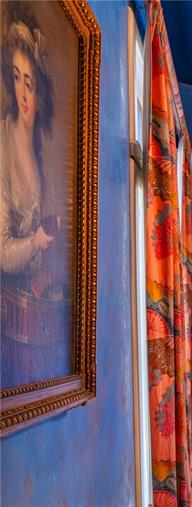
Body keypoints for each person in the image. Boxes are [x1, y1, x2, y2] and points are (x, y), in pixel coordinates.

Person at [1, 15, 67, 388]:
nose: (23, 95)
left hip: (41, 303)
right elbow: (3, 251)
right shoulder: (4, 145)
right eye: (15, 78)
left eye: (30, 83)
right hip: (13, 314)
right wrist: (37, 243)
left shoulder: (42, 153)